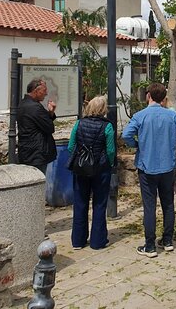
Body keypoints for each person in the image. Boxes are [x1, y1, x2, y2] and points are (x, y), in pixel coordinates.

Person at [122, 83, 176, 258]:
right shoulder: (171, 115)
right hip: (167, 165)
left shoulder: (140, 115)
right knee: (168, 204)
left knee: (149, 206)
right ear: (163, 98)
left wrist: (137, 145)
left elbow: (126, 135)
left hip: (147, 166)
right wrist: (175, 141)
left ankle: (150, 245)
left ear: (148, 96)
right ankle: (167, 241)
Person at [68, 96, 115, 250]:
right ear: (103, 109)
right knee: (99, 203)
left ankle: (78, 240)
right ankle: (97, 241)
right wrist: (110, 163)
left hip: (81, 168)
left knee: (80, 202)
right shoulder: (107, 127)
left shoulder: (78, 124)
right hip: (100, 169)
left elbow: (70, 146)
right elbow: (110, 150)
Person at [17, 78, 57, 175]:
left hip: (26, 152)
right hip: (36, 154)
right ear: (36, 91)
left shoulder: (23, 103)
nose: (46, 93)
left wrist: (50, 113)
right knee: (38, 184)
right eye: (44, 90)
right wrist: (50, 116)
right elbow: (49, 128)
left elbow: (40, 122)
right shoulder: (35, 107)